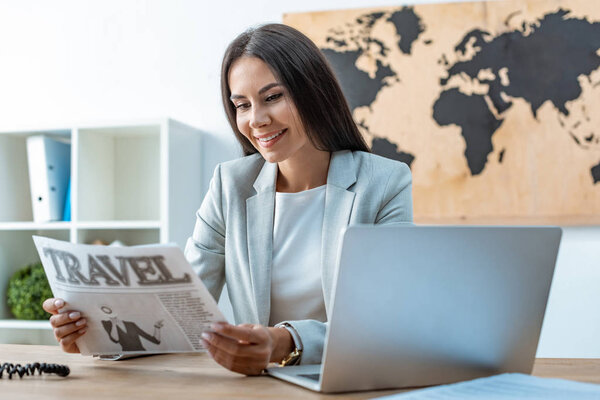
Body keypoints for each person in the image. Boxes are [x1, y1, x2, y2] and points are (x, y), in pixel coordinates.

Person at [42, 23, 413, 376]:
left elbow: (387, 322)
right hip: (261, 389)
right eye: (242, 105)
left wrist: (285, 343)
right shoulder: (230, 185)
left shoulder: (383, 183)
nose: (257, 120)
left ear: (313, 91)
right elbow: (179, 310)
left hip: (349, 384)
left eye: (272, 97)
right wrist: (100, 334)